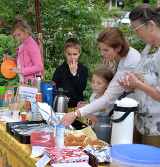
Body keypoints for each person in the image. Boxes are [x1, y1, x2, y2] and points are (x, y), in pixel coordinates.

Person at [59, 27, 141, 128]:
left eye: (106, 50)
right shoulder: (120, 57)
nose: (102, 53)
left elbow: (107, 98)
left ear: (118, 48)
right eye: (101, 49)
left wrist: (76, 113)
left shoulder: (129, 64)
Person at [117, 3, 160, 148]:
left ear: (151, 25)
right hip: (140, 121)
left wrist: (138, 84)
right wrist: (131, 82)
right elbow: (146, 77)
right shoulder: (150, 47)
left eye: (136, 29)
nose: (136, 34)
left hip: (156, 128)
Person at [52, 38, 88, 114]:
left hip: (77, 107)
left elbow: (81, 88)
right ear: (65, 52)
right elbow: (54, 87)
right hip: (61, 106)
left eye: (75, 54)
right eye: (69, 54)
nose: (72, 57)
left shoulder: (83, 69)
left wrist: (74, 74)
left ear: (79, 53)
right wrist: (61, 96)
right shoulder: (60, 70)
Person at [3, 20, 43, 84]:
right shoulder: (22, 45)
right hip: (23, 82)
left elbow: (39, 66)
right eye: (15, 36)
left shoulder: (32, 46)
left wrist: (20, 71)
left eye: (19, 34)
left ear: (27, 30)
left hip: (33, 83)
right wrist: (10, 59)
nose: (17, 38)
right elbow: (21, 63)